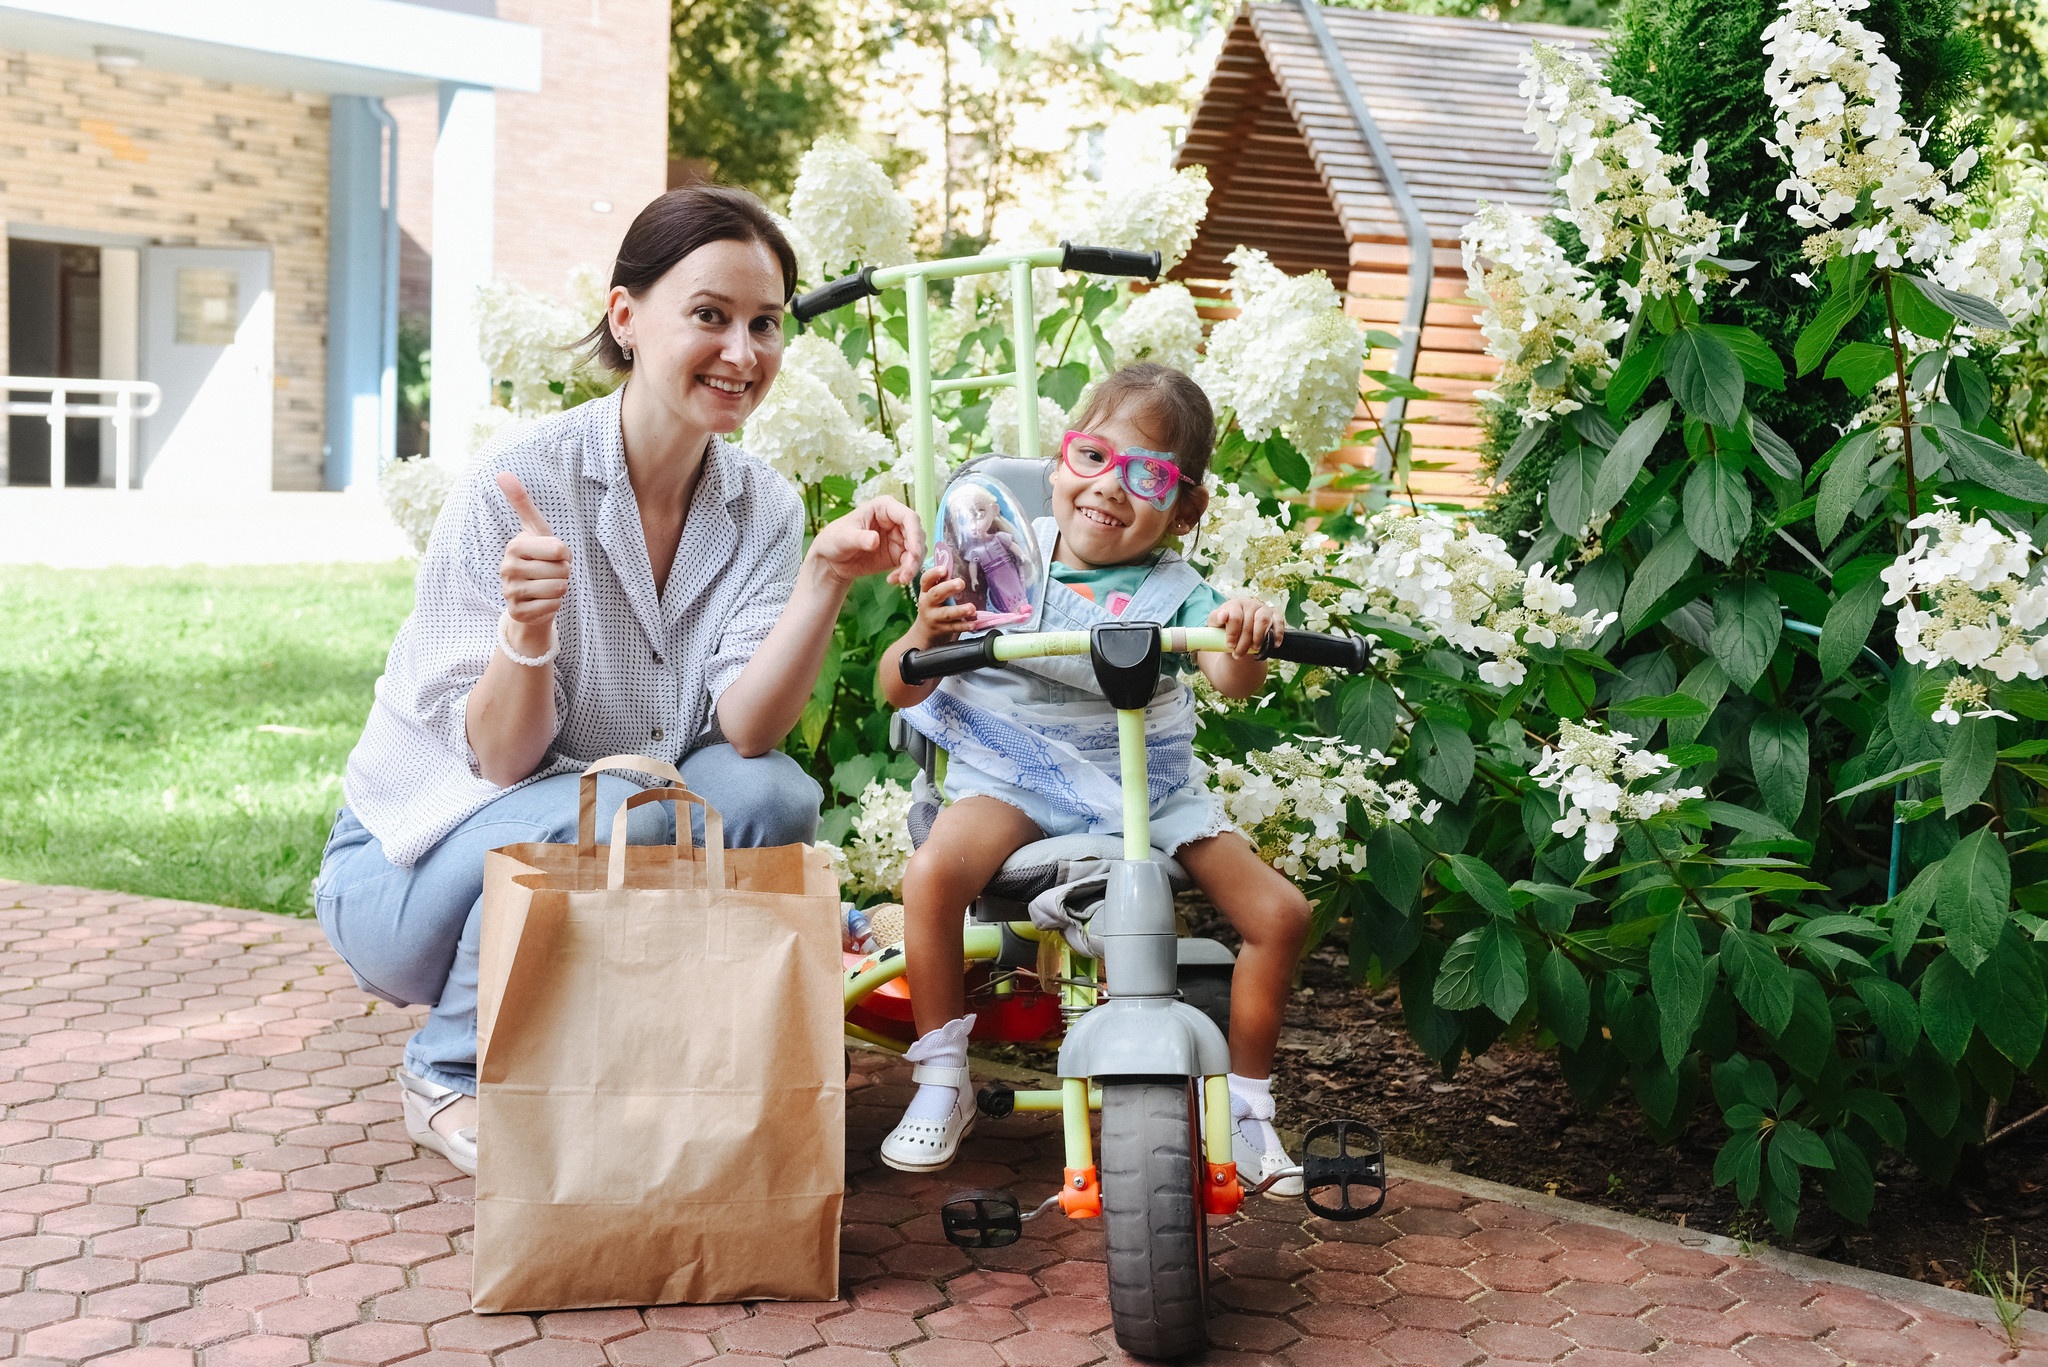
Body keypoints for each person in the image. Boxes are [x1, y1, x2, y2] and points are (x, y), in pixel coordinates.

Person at [315, 187, 921, 1177]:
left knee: (772, 795)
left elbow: (749, 731)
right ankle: (446, 1067)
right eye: (710, 315)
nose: (743, 350)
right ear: (626, 316)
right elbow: (504, 758)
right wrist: (527, 627)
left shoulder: (759, 503)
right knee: (648, 808)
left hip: (602, 830)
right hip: (411, 877)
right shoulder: (520, 481)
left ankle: (666, 1041)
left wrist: (822, 575)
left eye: (764, 323)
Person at [875, 363, 1312, 1192]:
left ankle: (1250, 1108)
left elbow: (1229, 678)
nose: (1111, 485)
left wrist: (1244, 632)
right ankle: (942, 1074)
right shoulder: (1003, 557)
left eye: (1147, 474)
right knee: (933, 873)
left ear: (1185, 508)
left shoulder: (1177, 592)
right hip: (1017, 770)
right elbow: (900, 684)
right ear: (1057, 467)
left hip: (1140, 788)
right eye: (1093, 456)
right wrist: (927, 629)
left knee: (1281, 914)